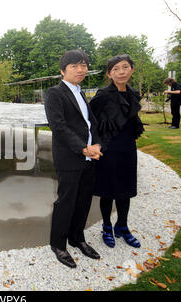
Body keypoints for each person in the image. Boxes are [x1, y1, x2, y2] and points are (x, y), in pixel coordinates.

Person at [44, 50, 103, 269]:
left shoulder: (80, 93)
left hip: (89, 157)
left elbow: (91, 124)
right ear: (63, 70)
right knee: (66, 202)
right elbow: (58, 126)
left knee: (84, 200)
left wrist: (96, 144)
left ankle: (77, 238)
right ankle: (58, 244)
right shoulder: (54, 93)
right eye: (75, 66)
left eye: (84, 65)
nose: (81, 69)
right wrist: (83, 148)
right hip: (70, 158)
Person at [89, 54, 145, 249]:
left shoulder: (132, 94)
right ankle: (106, 227)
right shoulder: (103, 95)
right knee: (108, 191)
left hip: (128, 149)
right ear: (109, 74)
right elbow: (91, 122)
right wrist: (95, 145)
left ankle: (122, 226)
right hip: (109, 149)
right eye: (116, 69)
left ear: (132, 69)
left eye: (125, 67)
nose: (121, 72)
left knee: (126, 190)